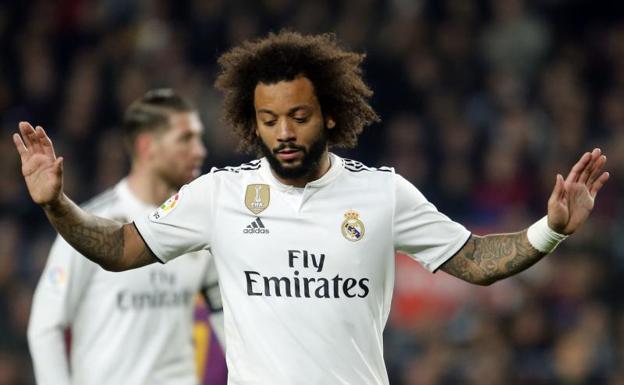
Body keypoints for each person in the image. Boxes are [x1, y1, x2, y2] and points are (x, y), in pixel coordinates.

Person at [14, 31, 609, 385]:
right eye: (269, 121)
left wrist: (549, 229)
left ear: (328, 114)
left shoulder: (383, 194)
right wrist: (57, 205)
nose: (284, 133)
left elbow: (474, 259)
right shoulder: (216, 196)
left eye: (298, 117)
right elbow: (118, 249)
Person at [26, 89, 225, 385]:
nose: (199, 151)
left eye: (198, 138)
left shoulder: (196, 224)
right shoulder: (89, 228)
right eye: (186, 138)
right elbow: (46, 326)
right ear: (147, 147)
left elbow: (224, 313)